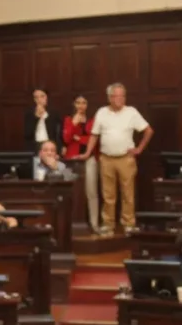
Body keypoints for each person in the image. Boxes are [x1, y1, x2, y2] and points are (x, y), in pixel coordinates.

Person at [80, 82, 153, 235]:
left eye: (122, 96)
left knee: (128, 194)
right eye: (116, 96)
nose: (120, 99)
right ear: (109, 98)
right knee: (108, 194)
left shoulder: (131, 112)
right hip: (106, 158)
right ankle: (108, 224)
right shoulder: (101, 112)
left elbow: (148, 131)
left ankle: (128, 224)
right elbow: (94, 135)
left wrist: (139, 149)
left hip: (126, 158)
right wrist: (87, 153)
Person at [62, 95, 99, 233]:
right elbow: (66, 138)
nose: (81, 106)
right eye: (78, 102)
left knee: (91, 190)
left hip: (89, 158)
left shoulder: (92, 120)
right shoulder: (68, 119)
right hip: (72, 159)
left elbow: (93, 139)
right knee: (72, 192)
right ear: (74, 104)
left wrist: (78, 138)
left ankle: (94, 223)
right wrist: (74, 124)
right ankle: (69, 223)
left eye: (84, 103)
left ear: (87, 105)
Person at [24, 88, 62, 154]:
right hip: (35, 145)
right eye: (36, 97)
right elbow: (27, 134)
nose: (39, 99)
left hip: (50, 145)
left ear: (47, 97)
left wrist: (59, 148)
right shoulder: (29, 113)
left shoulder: (54, 113)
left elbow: (58, 133)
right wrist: (36, 117)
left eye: (42, 96)